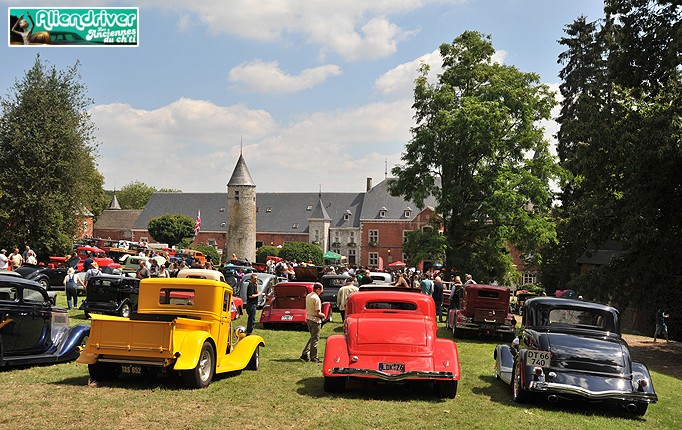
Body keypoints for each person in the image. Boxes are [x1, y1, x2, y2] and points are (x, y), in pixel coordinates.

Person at [301, 283, 325, 362]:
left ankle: (305, 354)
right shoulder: (316, 298)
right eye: (321, 289)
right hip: (315, 320)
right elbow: (317, 313)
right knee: (315, 339)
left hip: (309, 318)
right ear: (318, 289)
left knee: (312, 337)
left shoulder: (308, 296)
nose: (322, 291)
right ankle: (313, 356)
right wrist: (323, 315)